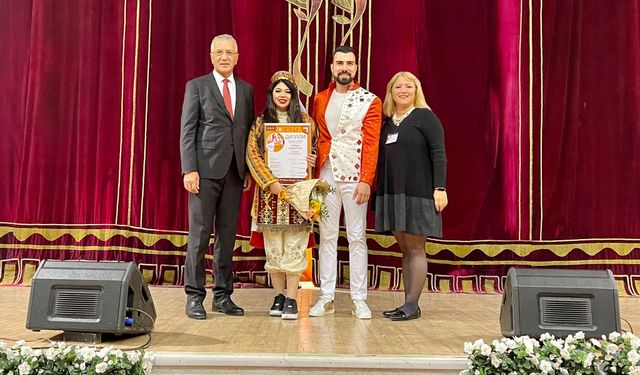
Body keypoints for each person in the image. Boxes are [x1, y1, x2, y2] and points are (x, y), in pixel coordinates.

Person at [180, 34, 254, 320]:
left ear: (237, 56)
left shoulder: (246, 90)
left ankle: (223, 295)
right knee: (199, 236)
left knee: (226, 236)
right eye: (219, 52)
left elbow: (247, 131)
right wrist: (189, 169)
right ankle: (194, 296)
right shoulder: (197, 86)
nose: (224, 57)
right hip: (204, 172)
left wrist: (246, 170)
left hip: (235, 173)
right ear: (211, 56)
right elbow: (188, 130)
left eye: (229, 52)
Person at [309, 46, 382, 319]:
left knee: (356, 237)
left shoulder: (370, 101)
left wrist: (366, 180)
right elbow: (318, 136)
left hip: (354, 177)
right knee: (325, 236)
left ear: (356, 67)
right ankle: (326, 296)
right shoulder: (319, 99)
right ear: (331, 67)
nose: (344, 68)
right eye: (339, 63)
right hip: (324, 177)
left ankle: (359, 298)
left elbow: (372, 144)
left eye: (349, 63)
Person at [376, 71, 448, 321]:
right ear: (391, 92)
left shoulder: (425, 117)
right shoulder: (388, 122)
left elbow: (439, 153)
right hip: (393, 193)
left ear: (416, 91)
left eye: (409, 86)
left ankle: (411, 305)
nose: (403, 90)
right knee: (405, 249)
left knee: (416, 248)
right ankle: (408, 303)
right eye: (398, 87)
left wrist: (440, 187)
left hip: (419, 193)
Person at [246, 71, 317, 320]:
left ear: (294, 94)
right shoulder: (261, 122)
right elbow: (252, 155)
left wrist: (312, 158)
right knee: (274, 249)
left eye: (287, 90)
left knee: (296, 248)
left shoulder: (306, 121)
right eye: (278, 90)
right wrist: (272, 183)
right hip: (270, 195)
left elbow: (315, 151)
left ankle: (292, 298)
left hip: (300, 192)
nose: (283, 95)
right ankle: (278, 295)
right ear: (271, 93)